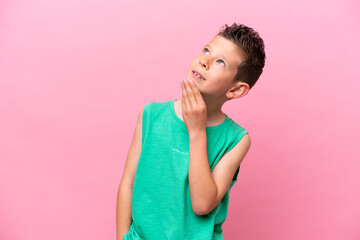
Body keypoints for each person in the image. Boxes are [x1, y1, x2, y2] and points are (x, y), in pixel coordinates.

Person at [116, 23, 266, 240]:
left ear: (235, 89)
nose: (203, 61)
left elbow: (202, 204)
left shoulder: (237, 140)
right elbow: (128, 183)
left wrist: (197, 131)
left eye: (220, 62)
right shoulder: (151, 115)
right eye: (206, 50)